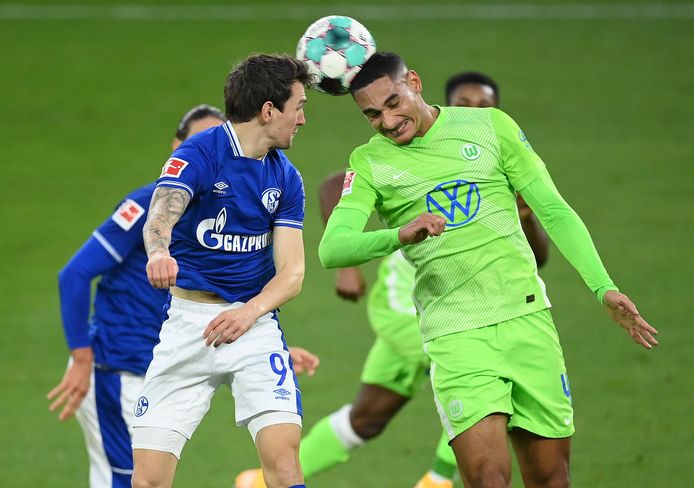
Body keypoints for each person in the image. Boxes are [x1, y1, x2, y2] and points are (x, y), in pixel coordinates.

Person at [318, 52, 658, 488]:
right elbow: (334, 249)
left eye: (393, 103)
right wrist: (398, 236)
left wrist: (603, 287)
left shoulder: (490, 126)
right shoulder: (370, 163)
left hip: (527, 320)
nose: (387, 121)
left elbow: (553, 209)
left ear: (415, 83)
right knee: (487, 480)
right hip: (456, 334)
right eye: (372, 115)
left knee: (552, 479)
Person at [235, 72, 548, 488]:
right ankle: (437, 479)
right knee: (478, 377)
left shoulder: (494, 156)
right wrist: (348, 266)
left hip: (466, 301)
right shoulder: (394, 150)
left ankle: (256, 481)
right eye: (466, 103)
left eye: (484, 106)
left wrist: (525, 212)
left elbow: (538, 257)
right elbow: (333, 187)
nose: (475, 112)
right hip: (414, 303)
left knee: (368, 417)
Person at [47, 104, 319, 488]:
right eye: (201, 143)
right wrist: (80, 357)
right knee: (129, 480)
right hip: (124, 367)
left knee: (284, 464)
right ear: (178, 148)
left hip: (198, 342)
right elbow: (75, 273)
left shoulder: (264, 187)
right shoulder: (148, 205)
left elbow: (229, 292)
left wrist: (263, 340)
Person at [131, 53, 313, 488]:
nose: (303, 120)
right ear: (269, 110)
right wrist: (158, 253)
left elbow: (292, 273)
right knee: (149, 480)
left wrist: (248, 314)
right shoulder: (201, 154)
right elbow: (159, 217)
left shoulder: (286, 179)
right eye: (300, 106)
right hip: (187, 326)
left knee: (284, 463)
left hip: (253, 326)